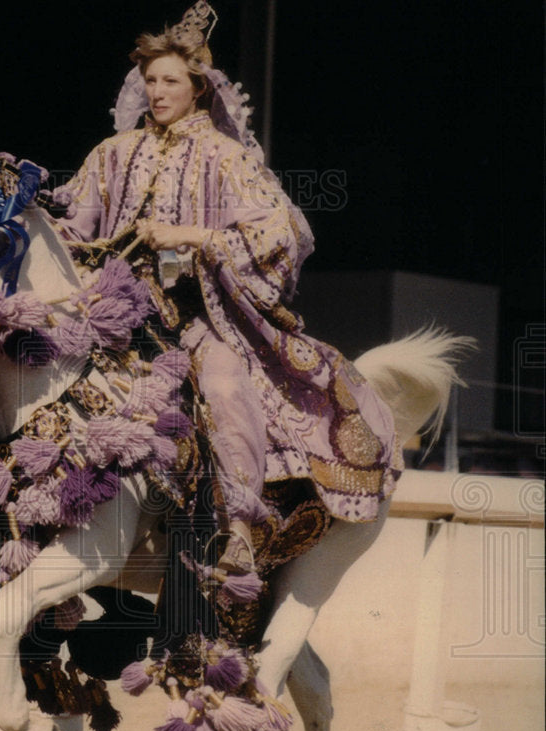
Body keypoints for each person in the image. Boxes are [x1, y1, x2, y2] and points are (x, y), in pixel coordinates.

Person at [53, 2, 401, 577]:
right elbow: (71, 227)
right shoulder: (109, 155)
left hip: (194, 319)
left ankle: (238, 529)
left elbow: (284, 231)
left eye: (170, 81)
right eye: (151, 81)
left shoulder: (226, 156)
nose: (158, 92)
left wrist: (194, 235)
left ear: (198, 87)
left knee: (221, 383)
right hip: (110, 316)